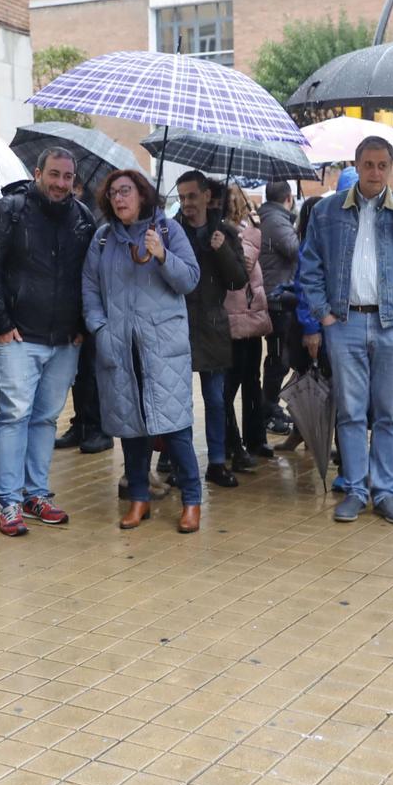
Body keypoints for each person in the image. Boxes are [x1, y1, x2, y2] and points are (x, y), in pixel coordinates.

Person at [297, 137, 393, 525]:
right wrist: (324, 314)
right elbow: (308, 266)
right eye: (368, 164)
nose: (375, 172)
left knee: (389, 413)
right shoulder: (326, 211)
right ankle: (357, 490)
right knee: (351, 412)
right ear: (356, 165)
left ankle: (386, 491)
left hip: (392, 323)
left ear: (390, 169)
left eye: (382, 165)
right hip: (344, 323)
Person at [0, 148, 94, 535]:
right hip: (17, 336)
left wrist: (81, 327)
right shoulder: (9, 210)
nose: (61, 183)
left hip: (64, 340)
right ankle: (8, 500)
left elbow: (89, 276)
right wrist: (0, 323)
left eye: (67, 177)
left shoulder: (83, 218)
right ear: (39, 173)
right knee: (13, 415)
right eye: (54, 174)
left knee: (45, 419)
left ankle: (36, 494)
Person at [84, 169, 207, 533]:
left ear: (141, 195)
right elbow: (90, 289)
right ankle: (139, 497)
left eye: (126, 191)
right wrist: (100, 329)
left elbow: (190, 279)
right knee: (130, 429)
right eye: (113, 194)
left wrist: (162, 254)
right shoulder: (103, 239)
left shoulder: (167, 230)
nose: (119, 199)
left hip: (162, 349)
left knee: (176, 430)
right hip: (119, 347)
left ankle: (191, 500)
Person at [173, 172, 251, 488]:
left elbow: (237, 281)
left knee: (216, 400)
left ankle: (217, 462)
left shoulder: (225, 233)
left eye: (192, 196)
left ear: (206, 196)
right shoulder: (170, 231)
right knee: (177, 401)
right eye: (181, 198)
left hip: (212, 325)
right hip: (177, 324)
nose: (187, 204)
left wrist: (221, 250)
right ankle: (177, 461)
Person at [222, 182, 275, 472]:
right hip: (230, 317)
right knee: (229, 385)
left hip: (249, 316)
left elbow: (246, 267)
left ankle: (254, 439)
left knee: (251, 382)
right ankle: (231, 442)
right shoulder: (221, 231)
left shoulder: (249, 228)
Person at [257, 180, 301, 435]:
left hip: (276, 295)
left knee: (278, 357)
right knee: (278, 358)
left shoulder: (270, 217)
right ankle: (269, 408)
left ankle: (269, 406)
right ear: (289, 197)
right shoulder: (276, 221)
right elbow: (296, 251)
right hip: (278, 299)